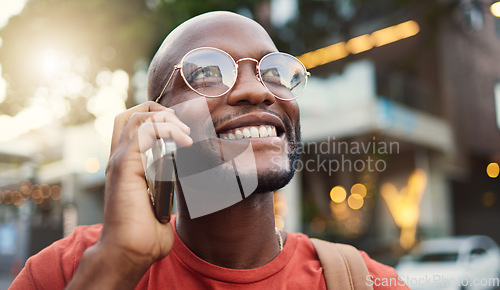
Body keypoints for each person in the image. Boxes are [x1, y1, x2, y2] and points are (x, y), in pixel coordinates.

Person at [11, 11, 408, 289]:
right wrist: (117, 264)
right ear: (156, 122)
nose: (257, 89)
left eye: (273, 72)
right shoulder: (64, 270)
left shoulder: (368, 282)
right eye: (207, 72)